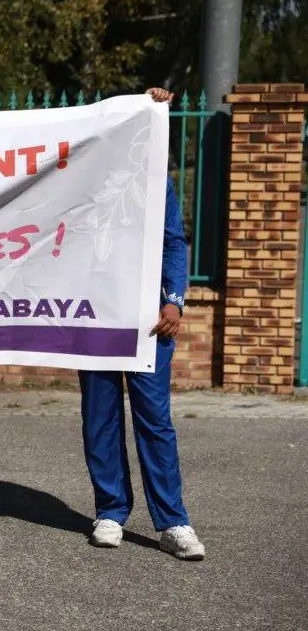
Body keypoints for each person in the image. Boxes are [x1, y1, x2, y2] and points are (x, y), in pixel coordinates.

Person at [79, 86, 205, 560]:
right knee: (100, 418)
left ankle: (173, 522)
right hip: (93, 315)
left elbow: (174, 242)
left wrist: (174, 301)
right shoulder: (78, 182)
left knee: (154, 420)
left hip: (148, 318)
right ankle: (111, 511)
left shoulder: (155, 180)